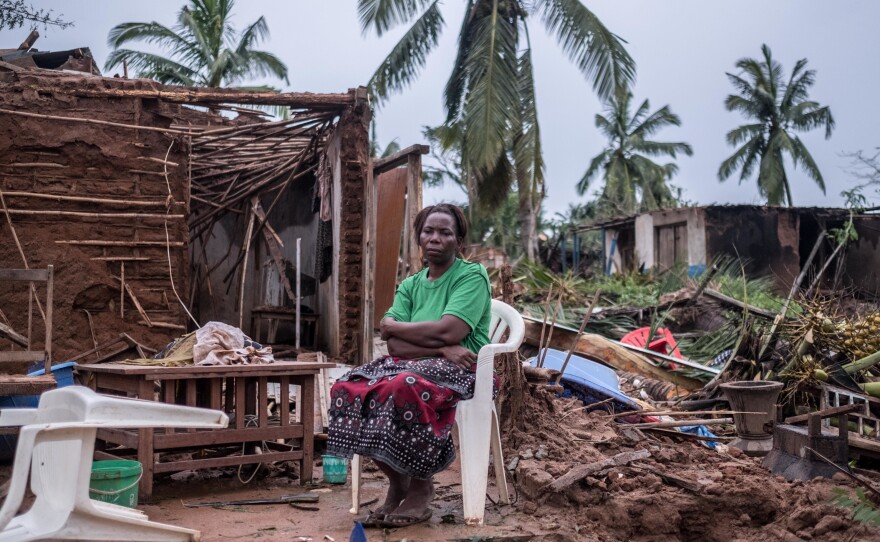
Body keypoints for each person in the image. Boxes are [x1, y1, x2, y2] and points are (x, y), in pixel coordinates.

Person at [327, 203, 492, 529]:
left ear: (458, 241)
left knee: (404, 386)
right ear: (419, 237)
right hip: (415, 363)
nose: (435, 238)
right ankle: (397, 478)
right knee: (347, 387)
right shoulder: (411, 284)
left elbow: (452, 329)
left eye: (445, 232)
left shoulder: (471, 276)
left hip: (464, 370)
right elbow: (394, 345)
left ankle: (421, 485)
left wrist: (400, 329)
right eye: (428, 231)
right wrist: (442, 346)